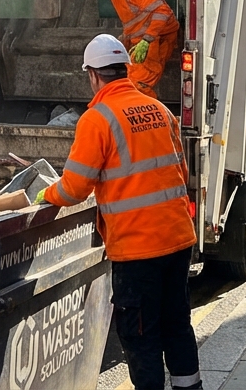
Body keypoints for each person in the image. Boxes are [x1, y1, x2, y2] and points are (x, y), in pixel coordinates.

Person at [38, 34, 202, 390]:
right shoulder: (160, 110)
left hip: (137, 249)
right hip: (177, 239)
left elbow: (75, 187)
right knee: (176, 325)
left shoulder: (97, 119)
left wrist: (45, 193)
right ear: (126, 70)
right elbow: (181, 173)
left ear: (93, 76)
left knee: (141, 337)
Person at [87, 0, 179, 98]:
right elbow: (134, 21)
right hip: (141, 40)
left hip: (159, 38)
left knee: (136, 85)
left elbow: (163, 12)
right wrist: (125, 39)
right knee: (122, 81)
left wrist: (146, 40)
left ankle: (149, 116)